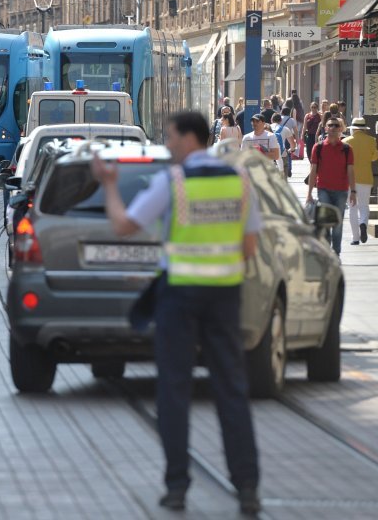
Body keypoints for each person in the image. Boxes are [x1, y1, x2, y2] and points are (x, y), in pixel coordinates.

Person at [91, 111, 262, 516]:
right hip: (224, 297)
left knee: (174, 391)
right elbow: (250, 247)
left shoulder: (174, 183)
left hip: (179, 298)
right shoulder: (239, 181)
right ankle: (248, 489)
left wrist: (111, 185)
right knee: (231, 392)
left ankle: (177, 487)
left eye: (170, 137)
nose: (167, 145)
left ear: (189, 138)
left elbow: (124, 226)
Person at [306, 117, 356, 255]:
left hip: (341, 190)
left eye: (336, 125)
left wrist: (354, 191)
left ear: (340, 129)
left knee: (338, 225)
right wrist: (309, 192)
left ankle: (336, 253)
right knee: (325, 223)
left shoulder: (347, 149)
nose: (333, 128)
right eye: (330, 125)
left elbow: (351, 171)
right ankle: (327, 254)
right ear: (325, 128)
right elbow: (313, 171)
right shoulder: (318, 147)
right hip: (323, 190)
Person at [345, 118, 378, 245]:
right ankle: (363, 223)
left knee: (352, 207)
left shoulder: (345, 142)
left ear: (353, 129)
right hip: (366, 178)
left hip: (350, 179)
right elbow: (375, 157)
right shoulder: (371, 140)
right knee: (364, 206)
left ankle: (355, 238)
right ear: (364, 129)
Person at [271, 113, 295, 178]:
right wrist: (290, 150)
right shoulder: (285, 129)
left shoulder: (266, 128)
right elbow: (293, 145)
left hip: (269, 156)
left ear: (271, 120)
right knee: (283, 177)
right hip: (282, 154)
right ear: (281, 120)